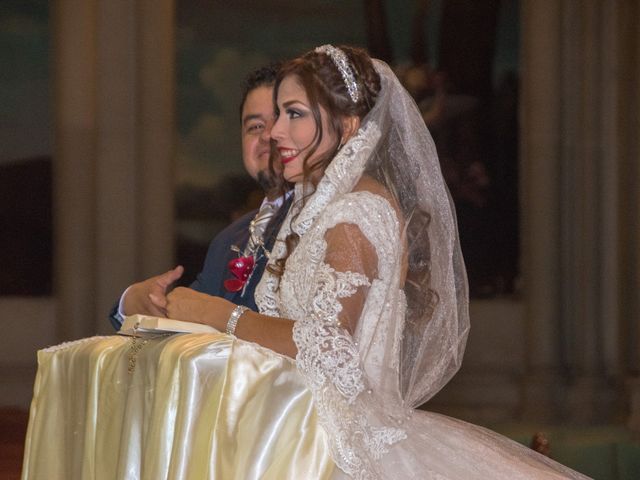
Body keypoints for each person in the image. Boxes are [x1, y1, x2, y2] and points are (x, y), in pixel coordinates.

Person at [155, 46, 590, 479]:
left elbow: (329, 347)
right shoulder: (324, 210)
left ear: (347, 125)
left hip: (337, 450)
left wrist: (221, 314)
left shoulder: (354, 214)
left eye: (295, 114)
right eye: (278, 115)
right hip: (296, 431)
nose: (276, 133)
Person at [109, 63, 290, 329]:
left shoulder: (328, 220)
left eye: (281, 119)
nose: (266, 136)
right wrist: (136, 301)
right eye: (254, 126)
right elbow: (193, 319)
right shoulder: (229, 238)